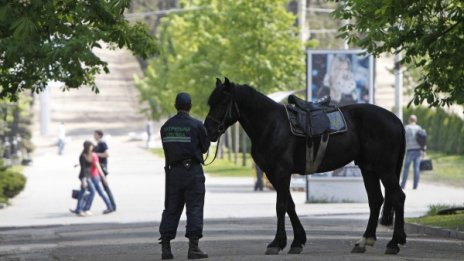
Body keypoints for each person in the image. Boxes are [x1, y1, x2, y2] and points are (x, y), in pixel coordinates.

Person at [159, 92, 210, 260]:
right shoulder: (196, 125)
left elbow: (167, 150)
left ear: (175, 105)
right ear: (190, 106)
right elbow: (204, 147)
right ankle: (193, 248)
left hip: (173, 172)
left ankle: (166, 248)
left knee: (171, 208)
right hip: (192, 172)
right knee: (194, 208)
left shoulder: (166, 126)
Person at [93, 130, 116, 211]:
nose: (94, 136)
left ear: (99, 135)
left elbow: (107, 154)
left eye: (95, 134)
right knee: (94, 188)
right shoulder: (97, 144)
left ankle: (112, 206)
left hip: (102, 168)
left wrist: (96, 154)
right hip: (97, 168)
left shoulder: (102, 143)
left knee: (105, 188)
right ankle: (111, 206)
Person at [70, 141, 95, 216]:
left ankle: (79, 209)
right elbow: (83, 168)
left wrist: (78, 164)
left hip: (88, 175)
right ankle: (86, 208)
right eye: (91, 146)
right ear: (87, 146)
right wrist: (84, 181)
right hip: (84, 176)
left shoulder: (89, 154)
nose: (92, 147)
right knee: (92, 191)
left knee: (82, 193)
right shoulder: (83, 155)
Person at [400, 115, 424, 190]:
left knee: (406, 168)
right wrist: (423, 150)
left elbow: (404, 139)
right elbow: (423, 139)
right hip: (418, 150)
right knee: (416, 169)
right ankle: (415, 186)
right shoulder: (419, 128)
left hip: (410, 150)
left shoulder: (407, 128)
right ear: (415, 120)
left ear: (409, 120)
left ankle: (403, 185)